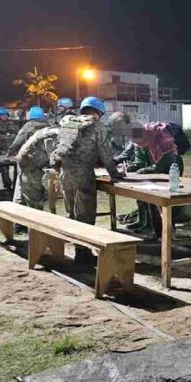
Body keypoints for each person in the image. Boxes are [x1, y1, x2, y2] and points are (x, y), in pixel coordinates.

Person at [50, 97, 123, 264]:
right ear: (99, 112)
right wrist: (114, 173)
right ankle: (82, 254)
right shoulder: (97, 126)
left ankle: (76, 246)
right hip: (83, 175)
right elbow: (105, 154)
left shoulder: (68, 122)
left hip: (65, 173)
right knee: (85, 214)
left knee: (72, 212)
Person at [127, 122, 180, 236]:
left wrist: (149, 169)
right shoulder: (138, 138)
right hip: (152, 171)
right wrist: (133, 167)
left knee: (165, 202)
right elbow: (139, 159)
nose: (139, 144)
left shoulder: (162, 137)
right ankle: (155, 230)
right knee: (149, 200)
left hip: (171, 168)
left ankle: (168, 232)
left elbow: (167, 161)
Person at [14, 126, 60, 210]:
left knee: (26, 197)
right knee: (34, 203)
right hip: (30, 165)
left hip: (32, 163)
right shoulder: (53, 136)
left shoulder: (51, 131)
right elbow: (54, 162)